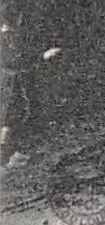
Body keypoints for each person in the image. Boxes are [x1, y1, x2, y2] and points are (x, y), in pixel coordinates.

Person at [1, 20, 63, 168]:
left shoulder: (8, 38)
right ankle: (4, 156)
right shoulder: (4, 40)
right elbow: (13, 61)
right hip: (6, 82)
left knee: (15, 114)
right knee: (9, 116)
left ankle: (9, 154)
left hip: (11, 81)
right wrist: (43, 56)